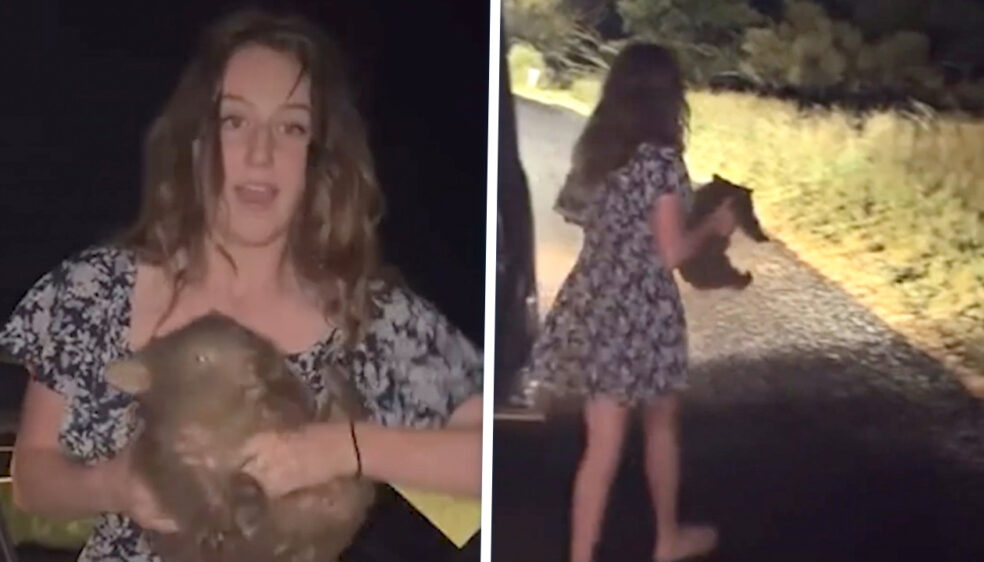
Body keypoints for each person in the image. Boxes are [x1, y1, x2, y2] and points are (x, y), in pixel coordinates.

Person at [0, 9, 483, 561]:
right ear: (195, 142)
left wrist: (342, 448)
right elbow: (32, 477)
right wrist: (113, 486)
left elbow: (494, 458)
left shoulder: (368, 317)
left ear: (319, 158)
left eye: (291, 127)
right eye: (235, 121)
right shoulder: (97, 291)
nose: (260, 153)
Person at [520, 42, 738, 562]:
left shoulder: (597, 154)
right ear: (667, 97)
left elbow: (577, 215)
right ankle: (665, 540)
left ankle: (582, 556)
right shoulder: (660, 162)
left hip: (594, 296)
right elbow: (671, 253)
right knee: (661, 421)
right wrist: (713, 224)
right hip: (642, 308)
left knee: (601, 445)